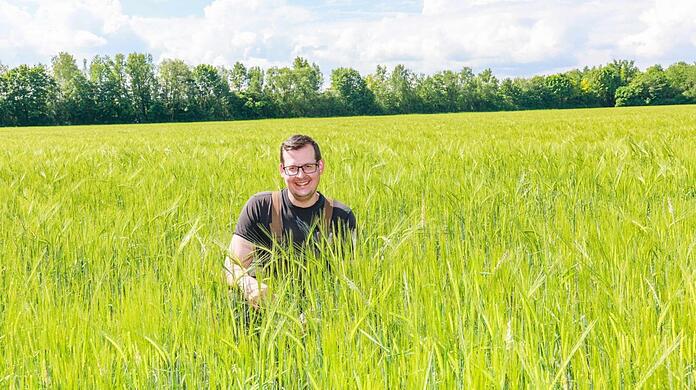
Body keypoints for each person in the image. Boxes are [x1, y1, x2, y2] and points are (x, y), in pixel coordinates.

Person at [223, 134, 356, 309]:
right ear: (282, 170)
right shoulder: (260, 207)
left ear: (320, 166)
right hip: (267, 311)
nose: (301, 175)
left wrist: (316, 315)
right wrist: (249, 285)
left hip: (321, 316)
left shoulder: (341, 216)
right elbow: (231, 267)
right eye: (292, 168)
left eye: (308, 166)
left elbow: (348, 280)